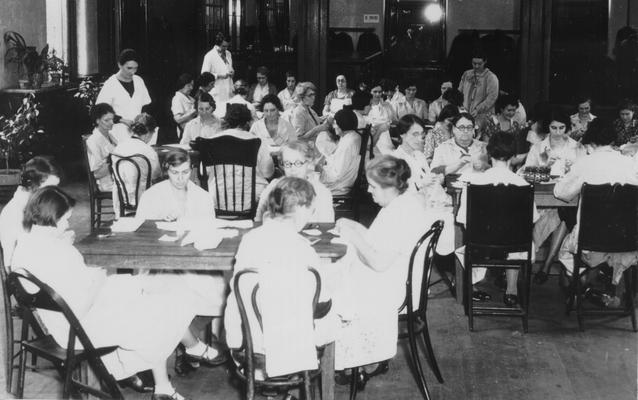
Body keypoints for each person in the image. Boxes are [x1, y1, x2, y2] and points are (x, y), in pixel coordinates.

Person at [12, 186, 221, 400]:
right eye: (65, 219)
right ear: (51, 218)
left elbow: (67, 283)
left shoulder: (26, 246)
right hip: (77, 327)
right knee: (154, 310)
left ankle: (168, 378)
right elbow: (80, 305)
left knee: (148, 291)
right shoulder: (56, 253)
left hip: (67, 319)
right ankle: (172, 370)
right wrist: (99, 279)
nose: (68, 224)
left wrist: (113, 281)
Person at [331, 155, 454, 373]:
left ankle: (353, 361)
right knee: (337, 275)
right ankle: (362, 360)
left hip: (395, 288)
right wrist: (355, 227)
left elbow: (378, 262)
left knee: (328, 291)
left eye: (373, 186)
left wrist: (354, 235)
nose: (369, 191)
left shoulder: (400, 212)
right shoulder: (403, 202)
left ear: (390, 187)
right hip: (399, 277)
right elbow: (382, 242)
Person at [225, 177, 335, 379]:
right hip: (291, 347)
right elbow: (321, 305)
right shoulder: (303, 249)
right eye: (311, 210)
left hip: (249, 343)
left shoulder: (249, 240)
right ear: (301, 209)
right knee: (333, 314)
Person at [555, 118, 638, 306]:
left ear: (591, 141)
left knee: (568, 247)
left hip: (590, 244)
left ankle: (579, 288)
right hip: (627, 244)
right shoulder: (630, 164)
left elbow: (561, 193)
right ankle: (590, 286)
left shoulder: (586, 163)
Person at [456, 132, 540, 305]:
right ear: (514, 156)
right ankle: (511, 290)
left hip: (481, 245)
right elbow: (531, 221)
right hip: (515, 246)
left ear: (489, 153)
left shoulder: (473, 185)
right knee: (519, 236)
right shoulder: (524, 185)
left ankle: (471, 287)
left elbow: (464, 221)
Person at [525, 112, 586, 285]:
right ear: (547, 127)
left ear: (567, 127)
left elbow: (582, 173)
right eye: (553, 128)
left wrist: (571, 171)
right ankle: (543, 260)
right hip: (542, 199)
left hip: (568, 197)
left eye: (561, 128)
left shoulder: (577, 147)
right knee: (561, 213)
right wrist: (545, 165)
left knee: (565, 211)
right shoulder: (538, 147)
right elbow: (527, 173)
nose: (558, 132)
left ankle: (546, 263)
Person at [0, 156, 61, 267]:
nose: (54, 194)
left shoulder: (35, 203)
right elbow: (13, 262)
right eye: (49, 189)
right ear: (32, 185)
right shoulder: (14, 213)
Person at [209, 103, 274, 204]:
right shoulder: (257, 141)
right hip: (251, 196)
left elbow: (203, 171)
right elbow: (267, 173)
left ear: (227, 120)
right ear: (247, 122)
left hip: (219, 196)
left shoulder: (212, 140)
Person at [255, 141, 334, 223]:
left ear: (309, 163)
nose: (292, 168)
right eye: (287, 163)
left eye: (298, 163)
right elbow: (258, 218)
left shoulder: (321, 191)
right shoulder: (274, 187)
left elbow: (327, 224)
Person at [111, 113, 162, 212]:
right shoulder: (149, 151)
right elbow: (156, 175)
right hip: (144, 200)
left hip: (121, 199)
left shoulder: (118, 148)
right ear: (148, 133)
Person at [96, 49, 151, 129]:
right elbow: (101, 111)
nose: (133, 72)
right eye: (129, 68)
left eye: (135, 68)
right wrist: (122, 120)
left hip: (137, 132)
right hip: (117, 132)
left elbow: (145, 104)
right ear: (119, 65)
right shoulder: (111, 84)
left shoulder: (139, 81)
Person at [317, 108, 362, 195]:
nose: (333, 126)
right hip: (345, 179)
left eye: (335, 123)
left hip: (340, 185)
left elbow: (336, 175)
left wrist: (319, 168)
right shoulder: (353, 135)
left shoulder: (347, 143)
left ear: (342, 124)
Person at [479, 93, 528, 167]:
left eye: (514, 110)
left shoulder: (515, 125)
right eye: (509, 110)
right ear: (502, 109)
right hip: (492, 161)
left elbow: (515, 147)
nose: (511, 113)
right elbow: (486, 145)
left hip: (510, 162)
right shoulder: (491, 123)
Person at [458, 51, 499, 126]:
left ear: (485, 62)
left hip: (483, 116)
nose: (476, 66)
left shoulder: (491, 77)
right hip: (465, 114)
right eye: (474, 63)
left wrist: (478, 109)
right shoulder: (466, 74)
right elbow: (459, 92)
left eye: (479, 64)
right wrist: (461, 107)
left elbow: (492, 97)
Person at [85, 103, 118, 192]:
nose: (112, 123)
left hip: (116, 177)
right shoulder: (93, 141)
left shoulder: (110, 136)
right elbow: (97, 174)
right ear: (97, 121)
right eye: (107, 120)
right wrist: (114, 161)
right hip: (106, 182)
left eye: (112, 119)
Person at [201, 32, 234, 103]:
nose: (226, 48)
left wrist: (232, 71)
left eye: (227, 46)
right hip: (217, 90)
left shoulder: (228, 54)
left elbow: (229, 67)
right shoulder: (209, 56)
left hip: (228, 89)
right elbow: (204, 75)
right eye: (223, 46)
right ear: (217, 44)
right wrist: (219, 76)